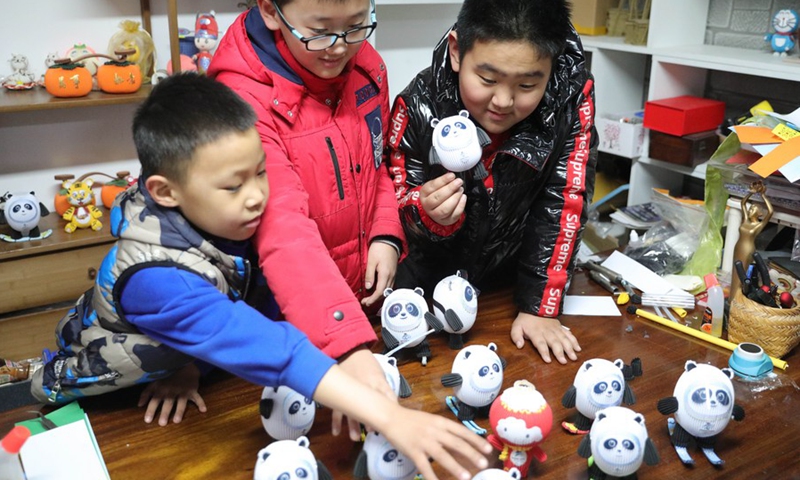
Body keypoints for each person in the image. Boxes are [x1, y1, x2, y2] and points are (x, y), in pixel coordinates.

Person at [29, 73, 490, 480]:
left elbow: (254, 296)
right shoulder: (156, 279)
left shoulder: (218, 215)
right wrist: (387, 416)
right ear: (164, 192)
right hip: (101, 398)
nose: (256, 197)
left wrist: (189, 363)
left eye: (262, 173)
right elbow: (259, 341)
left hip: (182, 370)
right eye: (234, 185)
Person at [207, 0, 404, 435]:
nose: (339, 47)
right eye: (319, 31)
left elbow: (378, 162)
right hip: (279, 327)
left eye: (356, 26)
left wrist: (386, 232)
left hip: (354, 309)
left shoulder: (366, 65)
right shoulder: (239, 100)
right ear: (270, 11)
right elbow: (283, 227)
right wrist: (347, 346)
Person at [388, 0, 598, 364]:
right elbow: (392, 205)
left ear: (552, 66)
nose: (503, 101)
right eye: (487, 80)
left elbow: (564, 199)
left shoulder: (570, 97)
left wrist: (539, 306)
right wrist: (426, 212)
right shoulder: (418, 103)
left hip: (510, 286)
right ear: (457, 51)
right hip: (429, 294)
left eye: (527, 84)